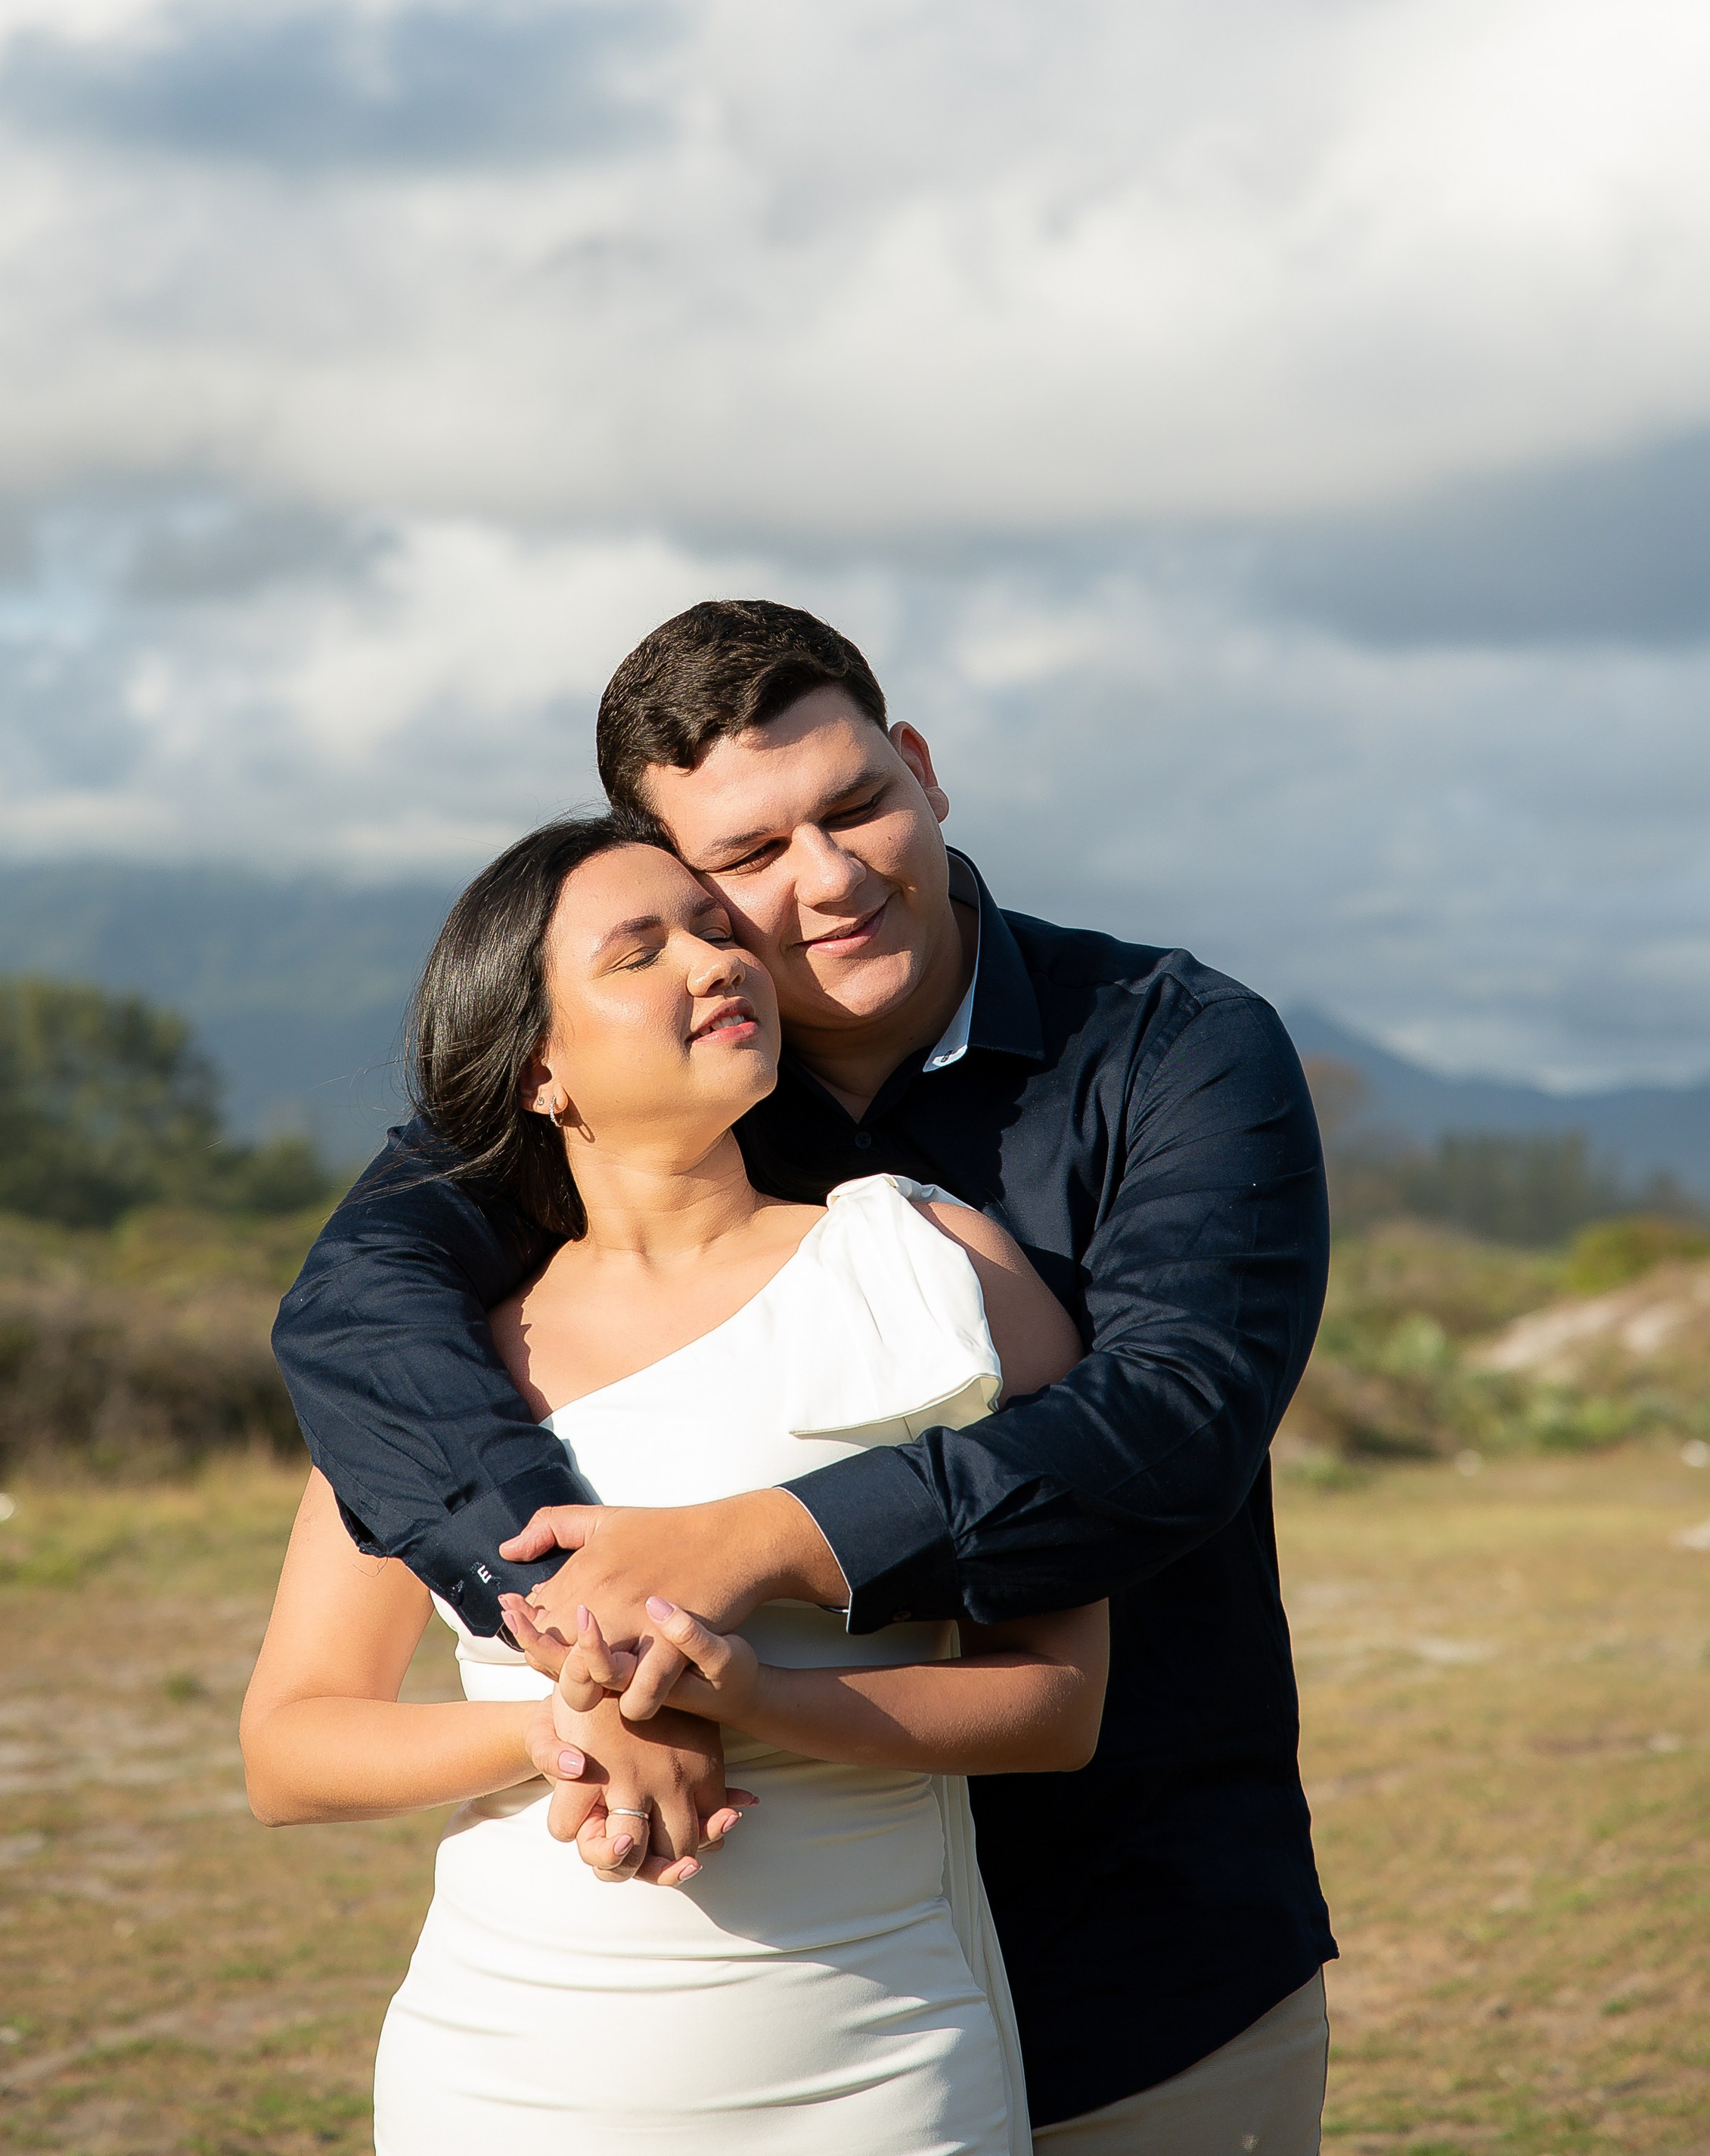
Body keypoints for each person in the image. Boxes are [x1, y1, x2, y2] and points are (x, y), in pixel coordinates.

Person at [273, 600, 1337, 2149]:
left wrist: (762, 1539)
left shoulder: (1170, 1052)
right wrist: (573, 1623)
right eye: (744, 862)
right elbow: (356, 1308)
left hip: (1143, 1943)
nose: (827, 878)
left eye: (855, 806)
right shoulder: (635, 1099)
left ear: (919, 769)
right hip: (657, 2004)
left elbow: (1172, 1425)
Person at [243, 814, 1106, 2155]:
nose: (714, 963)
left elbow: (1058, 1703)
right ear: (539, 1068)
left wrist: (764, 1700)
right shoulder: (441, 1363)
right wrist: (551, 1737)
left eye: (716, 929)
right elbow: (290, 1748)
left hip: (876, 2059)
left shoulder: (929, 1263)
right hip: (507, 2066)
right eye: (639, 952)